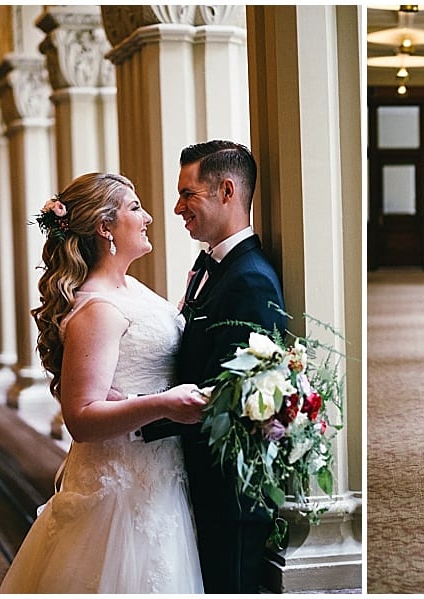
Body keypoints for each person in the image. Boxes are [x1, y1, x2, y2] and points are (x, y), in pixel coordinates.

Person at [0, 173, 206, 593]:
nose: (147, 216)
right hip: (122, 491)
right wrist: (163, 403)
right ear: (104, 227)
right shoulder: (99, 307)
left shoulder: (128, 287)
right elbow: (82, 418)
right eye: (134, 208)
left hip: (158, 474)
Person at [140, 140, 287, 593]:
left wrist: (137, 418)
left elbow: (231, 401)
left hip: (230, 493)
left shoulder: (250, 279)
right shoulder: (213, 266)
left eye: (188, 194)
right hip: (198, 476)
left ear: (226, 190)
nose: (177, 207)